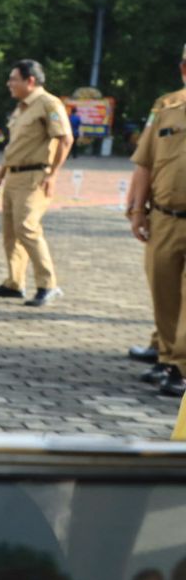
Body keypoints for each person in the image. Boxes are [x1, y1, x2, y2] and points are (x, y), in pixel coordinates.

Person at [0, 60, 72, 307]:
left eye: (14, 79)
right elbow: (14, 147)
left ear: (30, 81)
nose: (9, 84)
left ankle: (48, 284)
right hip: (13, 176)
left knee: (27, 228)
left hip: (35, 176)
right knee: (11, 233)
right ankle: (14, 283)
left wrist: (52, 175)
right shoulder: (21, 108)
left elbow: (65, 139)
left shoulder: (49, 104)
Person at [127, 50, 186, 397]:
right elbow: (144, 163)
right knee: (163, 293)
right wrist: (137, 210)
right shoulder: (166, 107)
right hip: (164, 217)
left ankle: (181, 367)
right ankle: (167, 358)